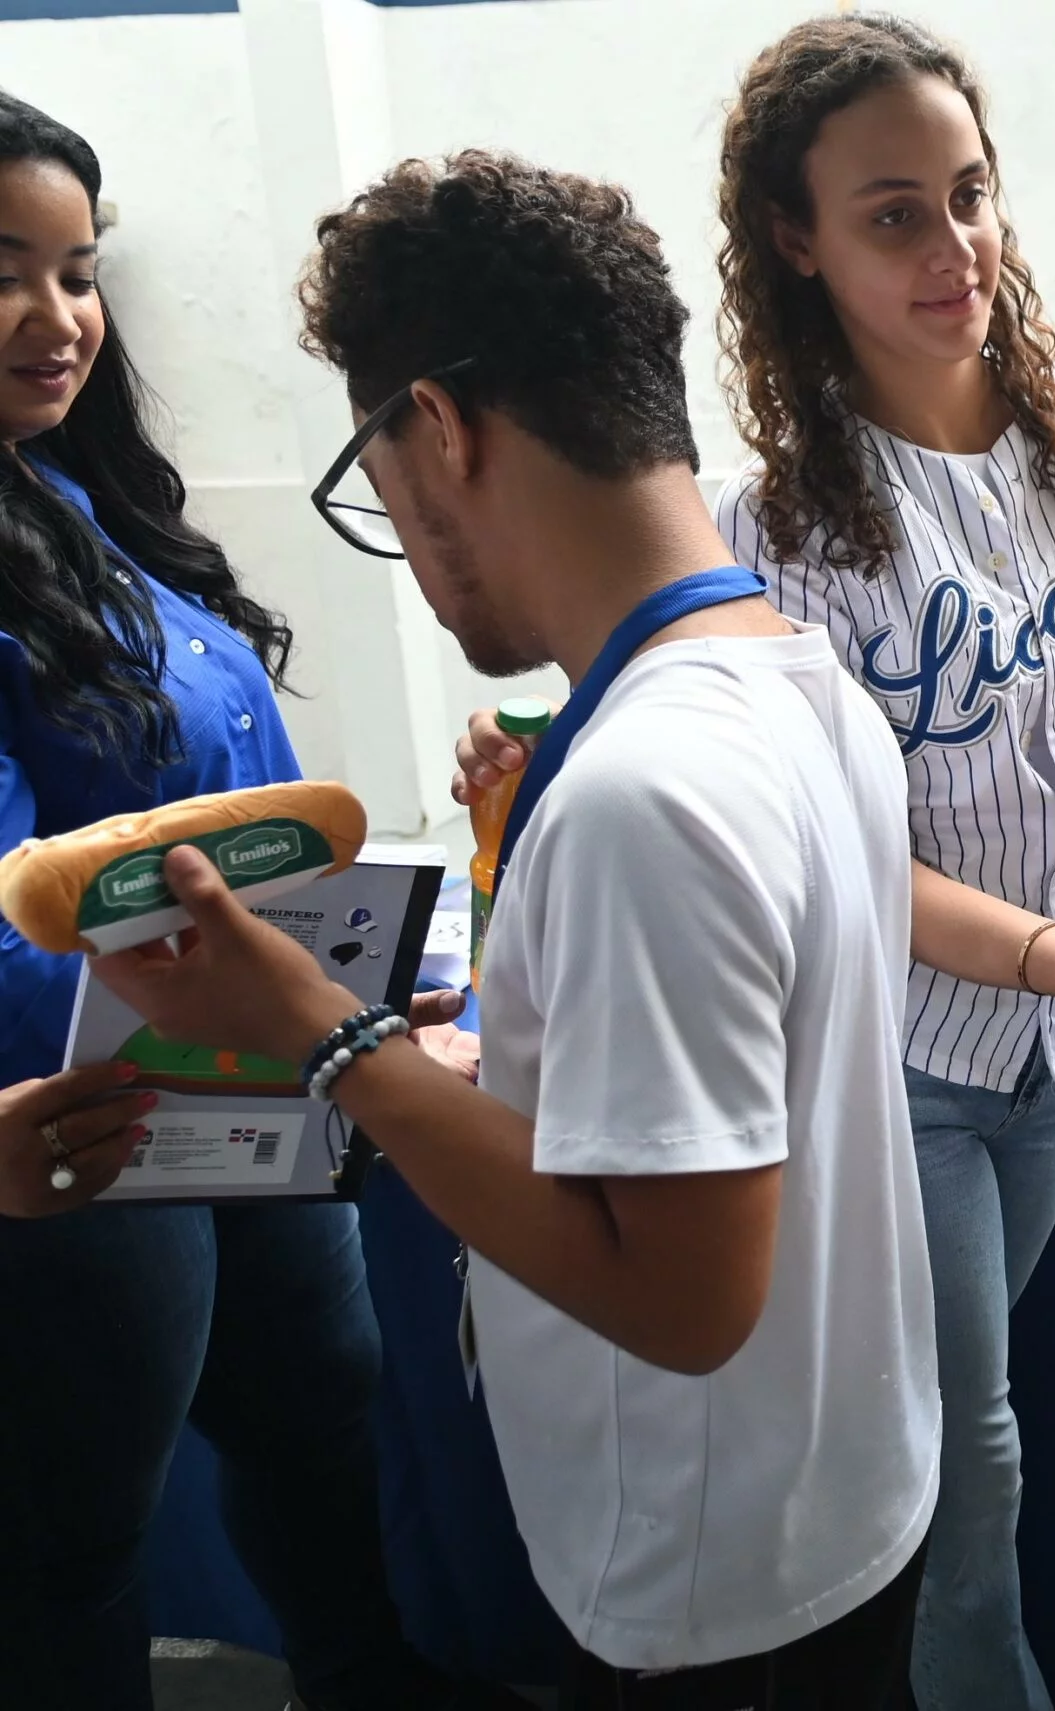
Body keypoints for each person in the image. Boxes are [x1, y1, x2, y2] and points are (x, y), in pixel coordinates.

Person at [451, 19, 1055, 1711]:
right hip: (893, 1058)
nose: (955, 247)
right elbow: (841, 857)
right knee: (968, 1457)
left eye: (970, 197)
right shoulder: (780, 527)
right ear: (796, 240)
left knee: (945, 1440)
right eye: (894, 214)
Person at [91, 150, 949, 1709]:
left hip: (708, 1581)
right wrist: (494, 1073)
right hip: (838, 1488)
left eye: (378, 485)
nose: (408, 551)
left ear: (436, 427)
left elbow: (684, 1299)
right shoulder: (798, 681)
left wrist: (328, 1033)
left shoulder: (641, 790)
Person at [0, 94, 519, 1711]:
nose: (57, 317)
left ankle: (369, 1679)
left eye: (80, 272)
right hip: (84, 1111)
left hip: (253, 1072)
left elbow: (250, 814)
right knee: (80, 1534)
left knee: (324, 1410)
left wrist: (365, 971)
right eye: (6, 269)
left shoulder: (87, 507)